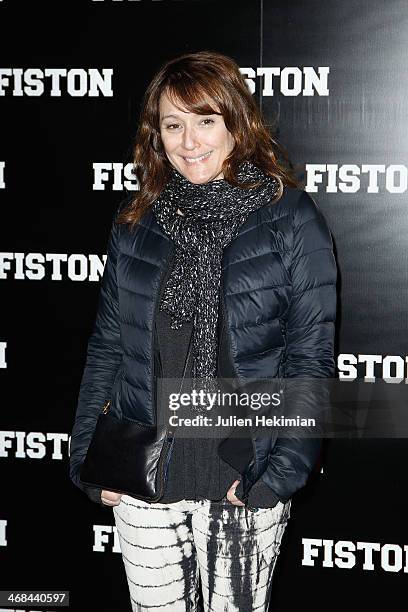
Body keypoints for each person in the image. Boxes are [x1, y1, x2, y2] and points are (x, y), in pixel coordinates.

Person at [69, 50, 337, 612]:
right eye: (173, 124)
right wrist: (89, 461)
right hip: (145, 481)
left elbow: (309, 357)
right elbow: (108, 348)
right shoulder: (137, 222)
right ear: (156, 134)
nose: (189, 141)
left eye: (205, 120)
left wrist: (279, 474)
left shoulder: (289, 218)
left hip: (243, 477)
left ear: (237, 124)